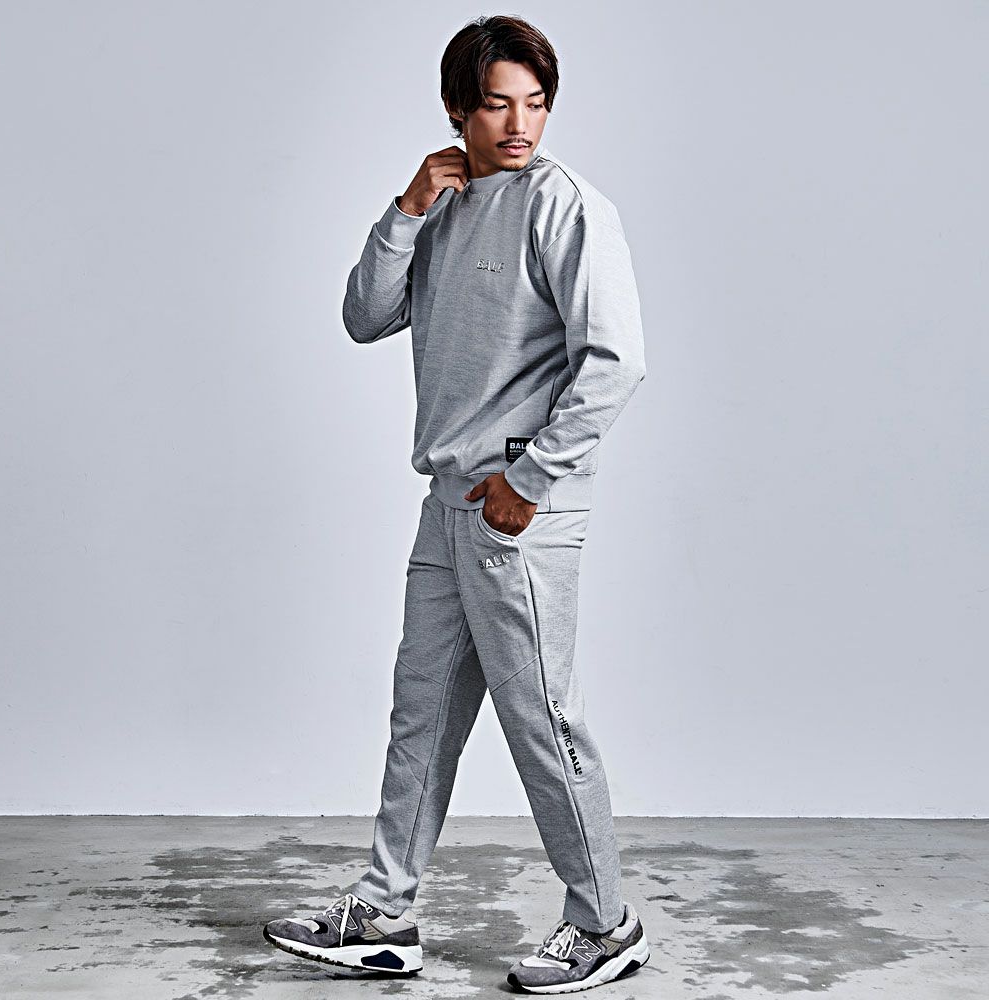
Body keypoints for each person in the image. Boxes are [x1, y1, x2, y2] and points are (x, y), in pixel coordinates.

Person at [263, 14, 649, 994]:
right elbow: (364, 316)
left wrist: (530, 481)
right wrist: (405, 209)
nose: (520, 125)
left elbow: (615, 363)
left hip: (518, 507)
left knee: (542, 720)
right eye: (497, 105)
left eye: (535, 104)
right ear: (456, 110)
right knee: (422, 713)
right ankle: (383, 917)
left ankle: (604, 924)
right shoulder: (440, 204)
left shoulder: (566, 207)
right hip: (448, 503)